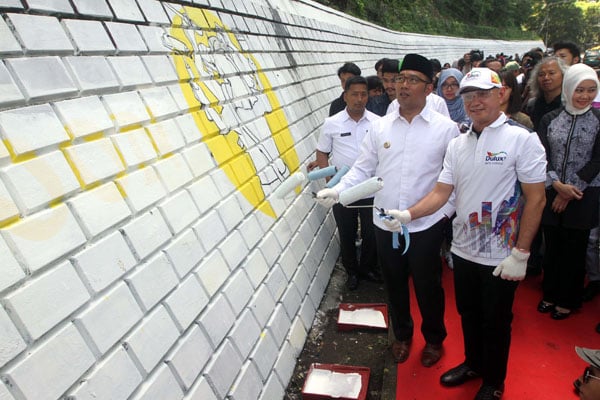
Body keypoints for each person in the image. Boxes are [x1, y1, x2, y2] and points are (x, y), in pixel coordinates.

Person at [387, 68, 547, 399]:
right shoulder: (458, 143)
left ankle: (494, 381)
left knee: (496, 321)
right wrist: (408, 215)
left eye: (482, 94)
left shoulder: (522, 139)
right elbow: (442, 192)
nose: (475, 102)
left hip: (502, 255)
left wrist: (521, 253)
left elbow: (537, 197)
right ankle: (473, 364)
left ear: (501, 93)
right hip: (462, 249)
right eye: (468, 95)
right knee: (468, 314)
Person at [316, 54, 459, 368]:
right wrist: (337, 190)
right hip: (385, 223)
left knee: (427, 287)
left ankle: (434, 339)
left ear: (429, 87)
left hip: (424, 225)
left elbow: (453, 182)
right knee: (393, 284)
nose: (403, 85)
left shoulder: (446, 130)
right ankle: (403, 335)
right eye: (400, 78)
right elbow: (362, 169)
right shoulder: (380, 128)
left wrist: (443, 214)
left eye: (412, 80)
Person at [535, 63, 600, 320]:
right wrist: (556, 185)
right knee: (552, 247)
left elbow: (597, 160)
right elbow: (541, 155)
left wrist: (570, 189)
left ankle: (568, 300)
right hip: (552, 190)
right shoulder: (550, 119)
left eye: (591, 90)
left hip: (583, 194)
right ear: (569, 88)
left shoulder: (598, 121)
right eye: (579, 89)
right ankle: (549, 294)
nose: (585, 96)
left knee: (575, 250)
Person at [314, 76, 382, 290]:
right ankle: (351, 271)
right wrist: (330, 183)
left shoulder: (378, 123)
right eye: (354, 94)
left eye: (364, 94)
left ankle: (367, 268)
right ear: (345, 96)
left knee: (372, 232)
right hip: (343, 189)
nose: (359, 99)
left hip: (371, 188)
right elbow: (322, 152)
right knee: (347, 231)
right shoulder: (332, 123)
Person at [525, 56, 567, 131]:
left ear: (564, 75)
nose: (546, 77)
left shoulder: (568, 105)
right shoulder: (532, 105)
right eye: (541, 74)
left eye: (551, 73)